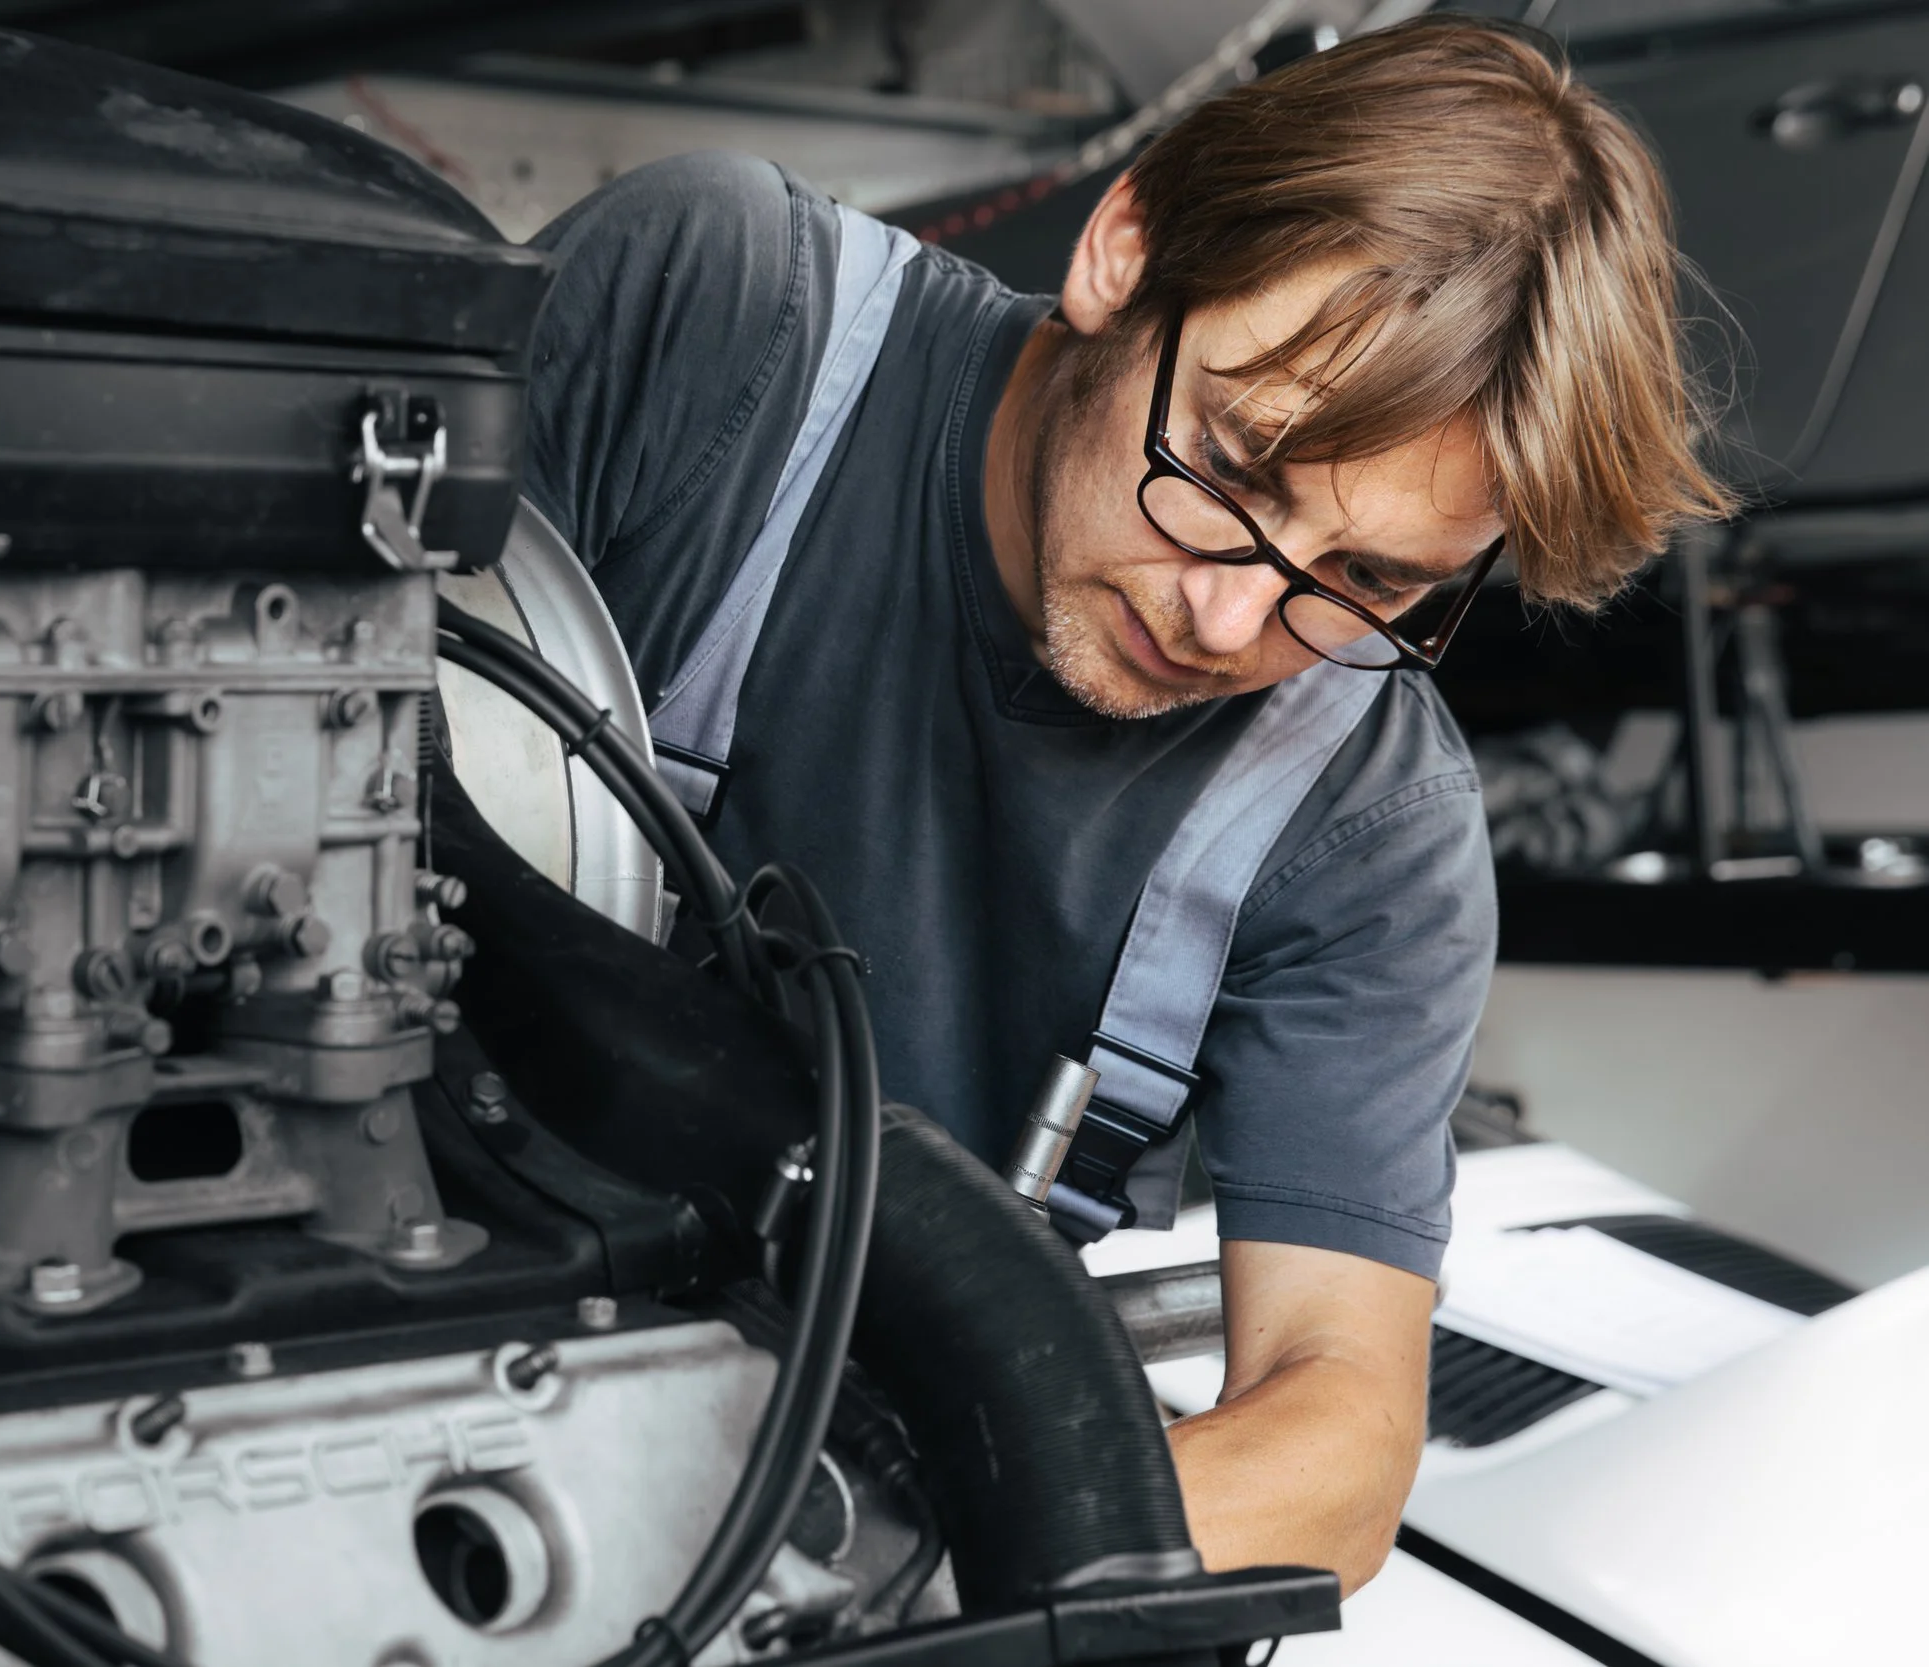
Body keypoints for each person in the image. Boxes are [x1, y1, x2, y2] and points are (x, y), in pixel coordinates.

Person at [514, 18, 1732, 1593]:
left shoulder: (1364, 821)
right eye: (1230, 471)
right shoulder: (713, 328)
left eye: (1362, 581)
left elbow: (1342, 1441)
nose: (1233, 626)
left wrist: (857, 1565)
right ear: (1124, 245)